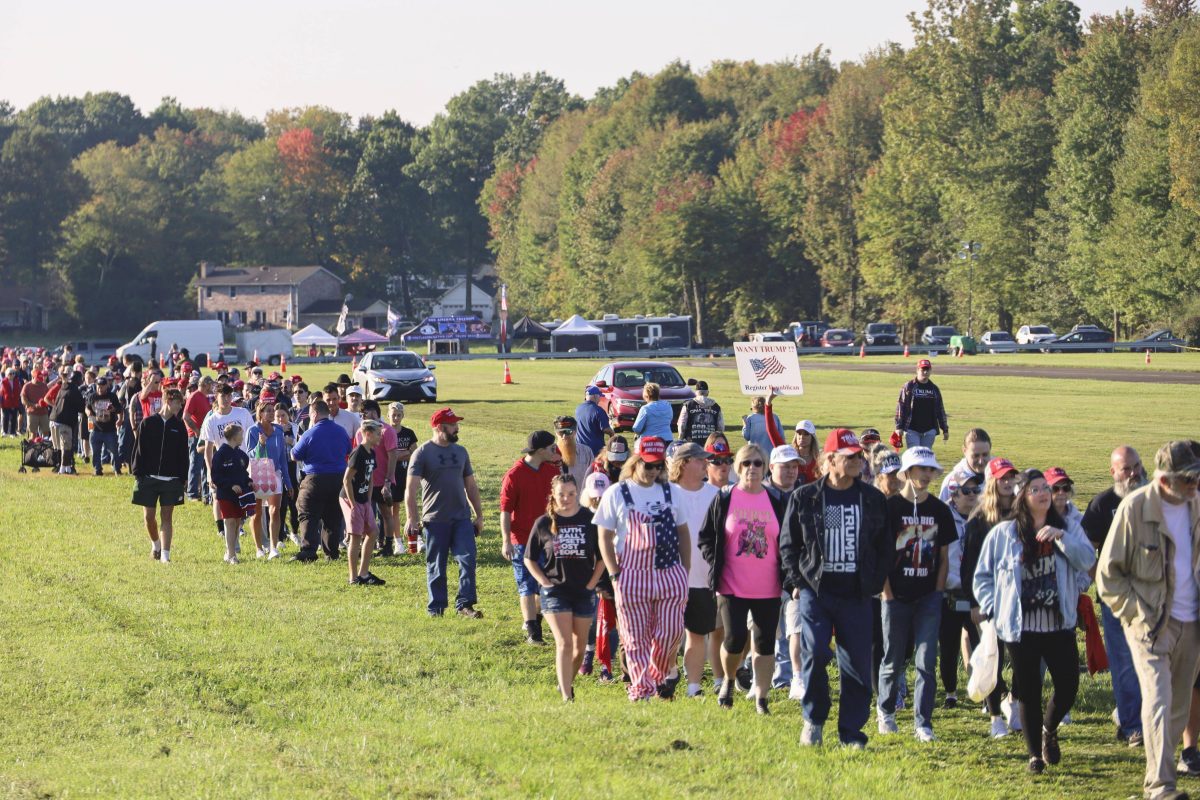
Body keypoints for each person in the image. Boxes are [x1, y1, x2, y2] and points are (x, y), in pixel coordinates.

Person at [975, 470, 1095, 775]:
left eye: (1046, 488)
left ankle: (1049, 730)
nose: (1043, 493)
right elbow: (983, 578)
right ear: (1021, 498)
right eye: (1035, 489)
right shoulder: (1004, 534)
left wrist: (1062, 539)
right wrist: (994, 609)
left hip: (1059, 625)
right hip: (1020, 628)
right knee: (1027, 691)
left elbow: (1087, 561)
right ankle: (1034, 756)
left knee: (1068, 686)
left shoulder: (1068, 526)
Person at [1098, 442, 1200, 800]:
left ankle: (1156, 779)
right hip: (1150, 625)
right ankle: (1162, 788)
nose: (1194, 485)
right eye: (1187, 479)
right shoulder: (1134, 509)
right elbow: (1108, 576)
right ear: (1164, 479)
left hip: (1192, 626)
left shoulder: (1197, 506)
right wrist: (1136, 616)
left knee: (1177, 710)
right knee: (1158, 699)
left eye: (1198, 478)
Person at [780, 428, 891, 748]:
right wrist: (797, 583)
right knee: (814, 653)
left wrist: (872, 583)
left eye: (860, 456)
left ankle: (852, 733)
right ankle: (813, 719)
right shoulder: (806, 496)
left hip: (857, 594)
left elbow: (885, 547)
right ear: (830, 460)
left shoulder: (872, 499)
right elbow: (789, 545)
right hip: (817, 591)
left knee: (856, 665)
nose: (858, 461)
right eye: (850, 457)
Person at [594, 436, 691, 701]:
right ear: (635, 462)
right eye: (649, 465)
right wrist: (614, 574)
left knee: (670, 633)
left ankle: (657, 674)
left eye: (659, 466)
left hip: (670, 572)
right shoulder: (617, 493)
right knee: (635, 638)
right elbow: (604, 536)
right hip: (631, 573)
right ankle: (641, 689)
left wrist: (685, 571)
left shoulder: (672, 492)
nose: (654, 471)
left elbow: (683, 533)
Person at [698, 443, 790, 714]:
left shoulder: (776, 500)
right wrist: (715, 562)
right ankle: (728, 679)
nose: (752, 468)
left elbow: (786, 540)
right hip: (731, 586)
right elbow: (706, 536)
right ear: (738, 468)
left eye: (757, 463)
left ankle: (761, 697)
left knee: (764, 644)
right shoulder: (725, 498)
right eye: (746, 463)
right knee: (735, 639)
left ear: (765, 468)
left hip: (769, 587)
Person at [877, 447, 957, 743]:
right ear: (907, 472)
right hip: (895, 596)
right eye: (920, 469)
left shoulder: (939, 511)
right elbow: (881, 554)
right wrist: (887, 593)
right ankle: (885, 711)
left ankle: (923, 722)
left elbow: (944, 556)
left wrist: (936, 593)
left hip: (928, 598)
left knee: (926, 661)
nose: (926, 474)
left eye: (930, 469)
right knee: (893, 658)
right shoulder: (890, 508)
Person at [1082, 445, 1146, 747]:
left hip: (1151, 597)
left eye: (1136, 466)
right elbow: (1086, 551)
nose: (1133, 473)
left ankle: (1140, 717)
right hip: (1116, 600)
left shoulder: (1154, 500)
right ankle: (1133, 726)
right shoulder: (1102, 504)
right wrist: (1103, 582)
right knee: (1123, 662)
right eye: (1126, 469)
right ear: (1113, 472)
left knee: (1151, 662)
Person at [525, 475, 607, 701]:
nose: (567, 499)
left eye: (571, 494)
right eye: (561, 494)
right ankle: (567, 697)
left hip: (583, 591)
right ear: (553, 495)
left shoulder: (590, 519)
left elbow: (602, 558)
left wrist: (592, 584)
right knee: (564, 642)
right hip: (555, 592)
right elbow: (529, 558)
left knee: (580, 647)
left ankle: (565, 684)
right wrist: (544, 581)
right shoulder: (543, 523)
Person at [406, 408, 486, 618]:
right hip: (435, 520)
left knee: (468, 560)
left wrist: (479, 515)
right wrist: (412, 519)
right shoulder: (422, 453)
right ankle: (436, 608)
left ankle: (465, 606)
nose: (457, 428)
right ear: (440, 427)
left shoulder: (461, 452)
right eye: (453, 425)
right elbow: (410, 490)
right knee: (437, 566)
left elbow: (471, 486)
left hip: (461, 519)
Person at [962, 457, 1021, 737]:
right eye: (1003, 478)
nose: (1008, 482)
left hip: (1018, 599)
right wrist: (974, 603)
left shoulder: (1024, 514)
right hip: (988, 601)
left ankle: (1015, 705)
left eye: (1011, 477)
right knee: (992, 658)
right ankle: (995, 716)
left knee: (1021, 658)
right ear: (992, 481)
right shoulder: (979, 517)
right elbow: (969, 566)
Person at [670, 441, 722, 698]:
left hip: (704, 578)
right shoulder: (666, 492)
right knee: (668, 634)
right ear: (684, 463)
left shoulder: (714, 494)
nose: (706, 464)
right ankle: (667, 676)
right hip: (669, 578)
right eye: (700, 459)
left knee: (698, 633)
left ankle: (694, 686)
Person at [500, 430, 561, 643]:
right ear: (541, 450)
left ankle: (533, 619)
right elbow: (505, 511)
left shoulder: (551, 472)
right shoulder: (514, 475)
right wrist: (506, 540)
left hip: (547, 539)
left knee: (544, 583)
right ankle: (533, 632)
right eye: (552, 447)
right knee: (526, 584)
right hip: (522, 540)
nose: (555, 450)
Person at [939, 470, 984, 711]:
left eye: (976, 490)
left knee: (982, 645)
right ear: (954, 495)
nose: (972, 495)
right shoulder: (944, 518)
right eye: (966, 491)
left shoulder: (983, 519)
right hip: (950, 593)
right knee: (948, 647)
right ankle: (950, 692)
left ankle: (984, 690)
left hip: (976, 594)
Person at [130, 388, 188, 563]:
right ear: (168, 401)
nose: (180, 406)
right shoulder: (147, 423)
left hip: (171, 480)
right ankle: (155, 544)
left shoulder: (179, 427)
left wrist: (183, 477)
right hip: (148, 478)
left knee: (167, 517)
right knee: (149, 517)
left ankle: (165, 555)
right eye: (178, 403)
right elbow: (138, 450)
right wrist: (138, 472)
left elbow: (183, 454)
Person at [290, 400, 353, 562]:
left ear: (314, 414)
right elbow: (348, 450)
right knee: (332, 517)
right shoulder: (341, 431)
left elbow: (294, 455)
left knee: (308, 514)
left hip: (314, 479)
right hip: (338, 478)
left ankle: (308, 550)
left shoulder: (310, 433)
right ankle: (331, 553)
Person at [200, 384, 256, 540]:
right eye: (222, 396)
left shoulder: (243, 413)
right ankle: (230, 542)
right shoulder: (211, 420)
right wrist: (211, 474)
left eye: (228, 396)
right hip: (225, 467)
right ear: (216, 397)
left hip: (245, 466)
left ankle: (240, 532)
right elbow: (208, 450)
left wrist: (254, 463)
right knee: (227, 506)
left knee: (244, 505)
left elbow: (253, 438)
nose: (226, 399)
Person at [342, 419, 386, 586]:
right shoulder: (358, 452)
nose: (380, 437)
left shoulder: (371, 452)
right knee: (355, 537)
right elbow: (346, 480)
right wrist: (353, 504)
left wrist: (368, 501)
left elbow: (370, 477)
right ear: (368, 434)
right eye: (377, 434)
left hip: (363, 500)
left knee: (373, 533)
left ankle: (364, 573)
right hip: (349, 498)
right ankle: (353, 578)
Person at [353, 400, 398, 557]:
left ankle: (388, 545)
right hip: (366, 479)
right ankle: (367, 544)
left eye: (370, 411)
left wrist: (388, 480)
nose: (367, 415)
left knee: (386, 512)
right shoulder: (360, 432)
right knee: (365, 513)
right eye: (364, 413)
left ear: (377, 412)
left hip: (383, 479)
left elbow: (393, 456)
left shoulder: (387, 431)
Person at [247, 402, 292, 559]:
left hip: (275, 474)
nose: (272, 414)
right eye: (268, 411)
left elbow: (283, 459)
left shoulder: (279, 432)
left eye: (273, 411)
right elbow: (250, 455)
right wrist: (261, 444)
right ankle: (259, 548)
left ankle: (273, 547)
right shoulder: (252, 431)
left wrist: (288, 482)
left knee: (275, 510)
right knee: (257, 512)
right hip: (257, 474)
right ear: (260, 413)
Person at [211, 423, 254, 565]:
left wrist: (248, 481)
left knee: (237, 523)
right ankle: (231, 555)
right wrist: (230, 485)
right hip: (225, 495)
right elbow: (216, 476)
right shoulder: (220, 454)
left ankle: (230, 550)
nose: (242, 437)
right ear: (235, 436)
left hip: (240, 495)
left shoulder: (241, 455)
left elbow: (243, 473)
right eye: (241, 434)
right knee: (229, 522)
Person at [385, 402, 419, 555]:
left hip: (407, 474)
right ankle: (398, 542)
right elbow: (386, 456)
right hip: (391, 475)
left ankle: (417, 539)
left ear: (403, 416)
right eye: (393, 415)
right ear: (388, 416)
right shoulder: (384, 432)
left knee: (411, 505)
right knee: (394, 508)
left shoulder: (409, 433)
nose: (396, 418)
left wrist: (398, 455)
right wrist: (402, 454)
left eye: (399, 415)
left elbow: (415, 453)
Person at [893, 359, 949, 449]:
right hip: (912, 429)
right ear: (917, 370)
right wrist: (898, 426)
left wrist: (945, 429)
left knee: (925, 458)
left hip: (930, 430)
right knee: (914, 455)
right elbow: (901, 406)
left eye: (927, 369)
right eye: (923, 369)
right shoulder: (909, 386)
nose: (925, 372)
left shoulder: (934, 389)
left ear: (930, 370)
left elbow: (940, 410)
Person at [938, 428, 993, 501]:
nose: (981, 461)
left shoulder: (1001, 476)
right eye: (975, 456)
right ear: (964, 451)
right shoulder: (952, 482)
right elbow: (941, 510)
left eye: (985, 455)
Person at [48, 370, 86, 474]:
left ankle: (62, 467)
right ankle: (63, 468)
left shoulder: (63, 388)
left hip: (53, 420)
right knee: (66, 446)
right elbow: (81, 408)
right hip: (64, 422)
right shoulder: (74, 390)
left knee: (58, 446)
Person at [184, 376, 214, 501]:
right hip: (195, 436)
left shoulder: (204, 397)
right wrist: (196, 430)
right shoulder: (194, 396)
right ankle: (192, 493)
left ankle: (204, 493)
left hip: (204, 436)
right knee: (195, 464)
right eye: (210, 385)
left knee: (204, 465)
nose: (211, 388)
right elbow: (186, 416)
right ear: (205, 384)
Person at [85, 376, 122, 476]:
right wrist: (88, 412)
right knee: (96, 451)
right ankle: (97, 469)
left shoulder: (112, 396)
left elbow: (119, 409)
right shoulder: (92, 396)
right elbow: (87, 407)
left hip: (109, 430)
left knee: (114, 451)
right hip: (96, 429)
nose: (99, 388)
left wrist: (113, 409)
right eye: (98, 386)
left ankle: (117, 469)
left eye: (102, 386)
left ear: (106, 386)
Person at [678, 381, 723, 446]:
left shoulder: (688, 405)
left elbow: (682, 424)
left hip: (691, 443)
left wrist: (681, 438)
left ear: (696, 392)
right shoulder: (716, 406)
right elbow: (720, 427)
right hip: (710, 443)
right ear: (707, 392)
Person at [554, 415, 594, 487]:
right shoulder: (550, 454)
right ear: (556, 433)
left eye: (568, 432)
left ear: (575, 432)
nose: (564, 436)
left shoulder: (586, 452)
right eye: (561, 432)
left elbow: (592, 477)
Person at [574, 385, 613, 456]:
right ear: (595, 396)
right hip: (594, 450)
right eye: (599, 396)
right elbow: (606, 429)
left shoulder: (578, 409)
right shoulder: (599, 411)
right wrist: (612, 434)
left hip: (580, 448)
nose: (600, 399)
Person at [20, 368, 49, 440]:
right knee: (33, 434)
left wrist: (45, 403)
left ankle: (44, 449)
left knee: (46, 433)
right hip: (32, 413)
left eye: (40, 378)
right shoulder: (27, 386)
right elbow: (23, 400)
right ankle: (31, 449)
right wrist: (34, 405)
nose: (39, 380)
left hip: (43, 412)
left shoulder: (44, 385)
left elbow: (48, 397)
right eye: (37, 378)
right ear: (33, 377)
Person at [0, 367, 20, 437]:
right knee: (6, 418)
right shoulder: (3, 382)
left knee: (14, 418)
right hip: (6, 404)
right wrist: (1, 404)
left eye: (13, 373)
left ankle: (12, 432)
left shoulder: (16, 381)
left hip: (14, 403)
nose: (12, 375)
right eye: (10, 374)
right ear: (6, 375)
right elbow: (1, 394)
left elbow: (18, 392)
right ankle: (4, 432)